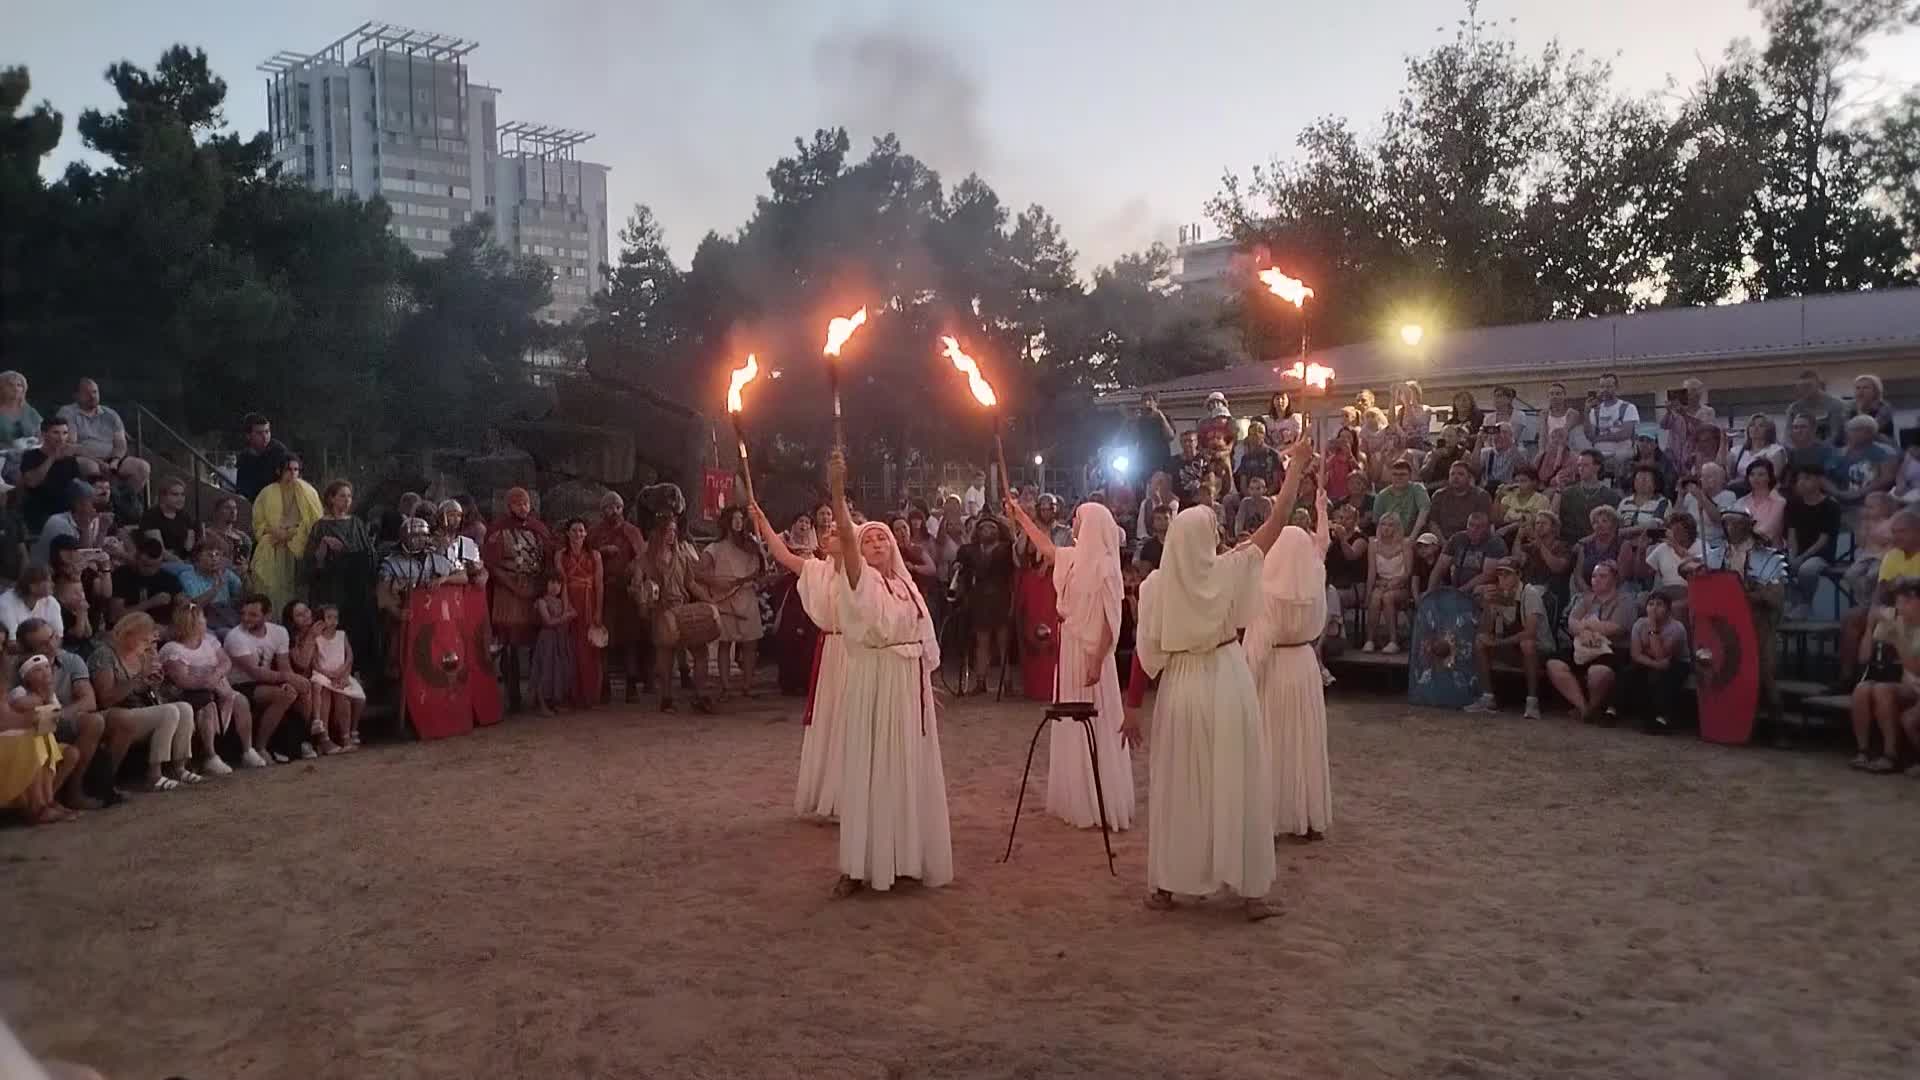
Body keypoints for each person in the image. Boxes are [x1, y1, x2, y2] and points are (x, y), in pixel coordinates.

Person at [1130, 431, 1310, 920]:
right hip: (1226, 680)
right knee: (1237, 780)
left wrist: (1131, 708)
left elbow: (1144, 656)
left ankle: (1168, 885)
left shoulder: (1156, 587)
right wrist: (1294, 471)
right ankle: (1251, 893)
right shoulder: (1228, 569)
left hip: (1183, 686)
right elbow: (1273, 526)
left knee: (1180, 785)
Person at [825, 450, 953, 897]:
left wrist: (927, 683)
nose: (877, 544)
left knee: (904, 771)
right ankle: (860, 865)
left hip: (906, 686)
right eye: (869, 541)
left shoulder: (905, 585)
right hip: (874, 682)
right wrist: (838, 489)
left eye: (882, 540)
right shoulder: (860, 581)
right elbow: (844, 532)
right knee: (870, 767)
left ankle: (903, 857)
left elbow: (924, 638)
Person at [1006, 495, 1135, 833]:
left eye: (1078, 518)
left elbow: (1111, 618)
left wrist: (1097, 658)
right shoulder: (1074, 558)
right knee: (1070, 722)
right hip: (1071, 648)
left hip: (1093, 652)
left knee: (1094, 721)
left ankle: (1099, 796)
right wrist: (1021, 516)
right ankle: (1075, 795)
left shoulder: (1107, 566)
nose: (1073, 523)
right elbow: (1046, 548)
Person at [1245, 484, 1332, 840]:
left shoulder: (1266, 591)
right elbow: (1321, 548)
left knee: (1274, 741)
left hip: (1276, 669)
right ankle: (1308, 816)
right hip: (1306, 666)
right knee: (1306, 740)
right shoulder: (1314, 580)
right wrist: (1322, 511)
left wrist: (1243, 682)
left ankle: (1276, 814)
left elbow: (1257, 645)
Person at [754, 502, 849, 820]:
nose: (833, 534)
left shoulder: (863, 572)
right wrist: (763, 520)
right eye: (829, 532)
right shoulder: (815, 569)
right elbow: (781, 555)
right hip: (831, 652)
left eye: (840, 530)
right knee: (829, 720)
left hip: (856, 653)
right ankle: (828, 791)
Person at [1699, 507, 1789, 740]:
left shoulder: (1768, 557)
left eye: (1736, 523)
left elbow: (1775, 597)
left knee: (1764, 673)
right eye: (1727, 523)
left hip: (1758, 622)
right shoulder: (1716, 555)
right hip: (1725, 625)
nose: (1731, 528)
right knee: (1722, 671)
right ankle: (1726, 722)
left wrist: (1747, 595)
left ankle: (1778, 729)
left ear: (1748, 525)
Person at [88, 611, 198, 790]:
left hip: (137, 710)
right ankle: (154, 775)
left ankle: (179, 768)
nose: (148, 645)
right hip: (115, 715)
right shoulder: (104, 655)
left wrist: (151, 684)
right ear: (128, 634)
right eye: (144, 640)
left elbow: (139, 690)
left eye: (149, 641)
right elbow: (106, 698)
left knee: (184, 708)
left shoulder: (141, 655)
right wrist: (139, 677)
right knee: (169, 712)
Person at [14, 617, 104, 810]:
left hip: (62, 718)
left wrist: (57, 713)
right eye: (42, 644)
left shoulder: (71, 660)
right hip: (31, 728)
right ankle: (43, 804)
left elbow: (89, 701)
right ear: (28, 650)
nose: (51, 645)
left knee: (94, 721)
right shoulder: (18, 671)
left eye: (52, 637)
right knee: (57, 746)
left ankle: (73, 792)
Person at [161, 601, 259, 774]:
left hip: (215, 686)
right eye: (202, 618)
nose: (206, 621)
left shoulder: (209, 641)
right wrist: (209, 683)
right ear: (192, 623)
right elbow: (182, 681)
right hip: (186, 694)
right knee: (207, 702)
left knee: (240, 700)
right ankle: (210, 756)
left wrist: (217, 675)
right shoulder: (173, 649)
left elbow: (225, 661)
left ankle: (247, 750)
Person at [483, 488, 552, 713]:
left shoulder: (538, 529)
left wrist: (540, 587)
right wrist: (512, 586)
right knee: (509, 645)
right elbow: (491, 565)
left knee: (535, 644)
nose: (523, 507)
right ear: (509, 506)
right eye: (518, 503)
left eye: (526, 503)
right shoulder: (497, 531)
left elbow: (548, 560)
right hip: (508, 593)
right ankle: (513, 697)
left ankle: (536, 694)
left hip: (533, 589)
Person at [306, 480, 380, 689]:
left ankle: (357, 673)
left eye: (349, 496)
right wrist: (323, 547)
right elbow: (313, 563)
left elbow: (369, 556)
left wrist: (344, 549)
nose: (346, 500)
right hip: (332, 587)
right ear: (330, 498)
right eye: (341, 496)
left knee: (358, 629)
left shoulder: (356, 523)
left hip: (356, 588)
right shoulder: (321, 526)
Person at [639, 515, 712, 714]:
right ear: (659, 533)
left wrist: (709, 601)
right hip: (662, 611)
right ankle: (666, 698)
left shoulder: (683, 556)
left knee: (700, 651)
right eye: (668, 531)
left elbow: (691, 583)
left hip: (682, 608)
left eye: (674, 531)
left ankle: (700, 694)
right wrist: (645, 602)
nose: (671, 535)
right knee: (666, 656)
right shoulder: (648, 559)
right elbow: (641, 586)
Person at [223, 594, 308, 762]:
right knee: (286, 694)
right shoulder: (235, 637)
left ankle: (306, 739)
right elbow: (255, 672)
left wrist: (290, 681)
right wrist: (288, 679)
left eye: (253, 615)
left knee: (303, 689)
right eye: (243, 614)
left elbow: (284, 665)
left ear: (267, 615)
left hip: (266, 680)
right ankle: (260, 747)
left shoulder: (279, 632)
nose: (246, 619)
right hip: (240, 684)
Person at [1545, 560, 1631, 724]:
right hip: (1583, 647)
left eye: (1602, 576)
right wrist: (1591, 627)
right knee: (1554, 664)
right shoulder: (1586, 599)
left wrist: (1585, 625)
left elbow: (1616, 629)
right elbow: (1571, 623)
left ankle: (1591, 708)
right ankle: (1584, 708)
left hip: (1611, 650)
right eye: (1593, 576)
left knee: (1598, 672)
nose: (1596, 580)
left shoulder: (1625, 600)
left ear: (1614, 579)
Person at [1849, 579, 1920, 773]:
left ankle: (1891, 755)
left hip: (1915, 683)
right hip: (1907, 683)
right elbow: (1864, 658)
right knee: (1862, 690)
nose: (1898, 607)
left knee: (1882, 691)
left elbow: (1915, 666)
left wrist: (1898, 637)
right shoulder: (1896, 619)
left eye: (1903, 602)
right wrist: (1870, 627)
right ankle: (1863, 751)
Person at [1465, 563, 1549, 719]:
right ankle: (1487, 697)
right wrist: (1488, 605)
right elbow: (1485, 630)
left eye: (1507, 574)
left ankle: (1532, 702)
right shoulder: (1499, 594)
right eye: (1500, 574)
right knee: (1480, 640)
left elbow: (1530, 632)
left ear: (1518, 575)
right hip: (1513, 649)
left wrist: (1498, 643)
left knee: (1527, 644)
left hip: (1542, 651)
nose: (1502, 578)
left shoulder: (1529, 593)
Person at [587, 492, 648, 703]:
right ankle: (604, 686)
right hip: (603, 590)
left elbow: (642, 559)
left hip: (626, 591)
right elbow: (586, 557)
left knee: (629, 639)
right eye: (608, 507)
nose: (613, 511)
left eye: (617, 507)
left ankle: (631, 685)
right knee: (604, 638)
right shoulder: (595, 533)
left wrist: (633, 574)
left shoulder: (631, 531)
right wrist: (601, 552)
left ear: (622, 508)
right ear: (602, 510)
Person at [1, 653, 71, 824]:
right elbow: (6, 719)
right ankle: (37, 808)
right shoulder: (20, 692)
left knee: (44, 736)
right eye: (38, 670)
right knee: (33, 738)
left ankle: (47, 801)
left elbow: (53, 717)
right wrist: (35, 715)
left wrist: (41, 712)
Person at [702, 508, 762, 700]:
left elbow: (761, 570)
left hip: (747, 595)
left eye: (741, 518)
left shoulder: (751, 546)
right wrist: (716, 582)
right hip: (724, 598)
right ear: (726, 521)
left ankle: (747, 686)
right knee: (725, 643)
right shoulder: (715, 548)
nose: (738, 522)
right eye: (734, 518)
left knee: (750, 643)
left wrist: (759, 551)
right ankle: (726, 687)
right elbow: (698, 573)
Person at [252, 455, 321, 614]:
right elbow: (258, 523)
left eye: (296, 470)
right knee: (272, 590)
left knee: (295, 592)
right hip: (273, 545)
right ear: (279, 471)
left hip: (298, 548)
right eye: (288, 470)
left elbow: (314, 522)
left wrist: (290, 534)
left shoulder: (308, 492)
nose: (292, 474)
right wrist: (274, 532)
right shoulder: (267, 492)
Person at [956, 514, 1015, 695]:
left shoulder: (1006, 549)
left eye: (992, 528)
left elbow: (1013, 575)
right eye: (983, 528)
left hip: (1001, 598)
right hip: (979, 599)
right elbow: (962, 569)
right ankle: (980, 682)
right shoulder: (970, 551)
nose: (987, 531)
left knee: (1003, 642)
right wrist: (957, 567)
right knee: (982, 642)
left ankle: (1007, 683)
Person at [19, 416, 99, 534]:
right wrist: (52, 458)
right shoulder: (31, 456)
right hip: (42, 511)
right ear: (44, 434)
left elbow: (77, 486)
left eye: (65, 433)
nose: (61, 438)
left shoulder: (69, 459)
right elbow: (32, 482)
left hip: (69, 513)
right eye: (56, 433)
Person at [1626, 591, 1691, 733]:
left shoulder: (1677, 628)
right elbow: (1635, 654)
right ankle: (1618, 711)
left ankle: (1663, 718)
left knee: (1665, 677)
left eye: (1659, 605)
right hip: (1653, 662)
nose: (1654, 608)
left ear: (1668, 609)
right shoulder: (1639, 624)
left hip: (1678, 662)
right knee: (1630, 672)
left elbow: (1660, 655)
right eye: (1650, 604)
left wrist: (1653, 628)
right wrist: (1654, 664)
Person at [1784, 467, 1841, 619]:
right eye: (1799, 479)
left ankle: (1805, 604)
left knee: (1806, 570)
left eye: (1807, 478)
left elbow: (1824, 539)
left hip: (1820, 554)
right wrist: (1792, 555)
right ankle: (1797, 603)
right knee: (1775, 567)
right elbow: (1792, 532)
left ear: (1818, 481)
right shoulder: (1793, 504)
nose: (1801, 483)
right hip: (1797, 551)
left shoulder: (1831, 506)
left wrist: (1802, 558)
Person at [307, 603, 366, 748]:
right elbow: (314, 663)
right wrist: (328, 674)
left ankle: (347, 735)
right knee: (326, 695)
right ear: (321, 620)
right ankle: (325, 737)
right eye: (329, 617)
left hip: (341, 674)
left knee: (354, 697)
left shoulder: (342, 635)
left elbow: (349, 656)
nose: (333, 620)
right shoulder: (317, 638)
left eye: (335, 617)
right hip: (323, 675)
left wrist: (343, 672)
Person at [1827, 415, 1897, 524]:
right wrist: (1837, 493)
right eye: (1849, 430)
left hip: (1871, 504)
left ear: (1869, 432)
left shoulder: (1885, 452)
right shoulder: (1837, 453)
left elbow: (1887, 478)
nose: (1848, 434)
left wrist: (1859, 493)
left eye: (1853, 430)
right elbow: (1823, 477)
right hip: (1840, 503)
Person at [526, 572, 577, 717]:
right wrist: (564, 617)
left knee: (559, 670)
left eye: (558, 583)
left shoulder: (562, 602)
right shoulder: (542, 601)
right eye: (552, 582)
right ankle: (542, 704)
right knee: (546, 670)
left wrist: (569, 614)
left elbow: (574, 612)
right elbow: (548, 622)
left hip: (560, 640)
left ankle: (555, 702)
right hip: (547, 640)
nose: (555, 586)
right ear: (545, 584)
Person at [30, 480, 111, 570]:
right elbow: (78, 563)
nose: (95, 506)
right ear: (78, 504)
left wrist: (101, 530)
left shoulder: (87, 521)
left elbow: (92, 555)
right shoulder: (59, 523)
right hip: (47, 576)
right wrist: (86, 528)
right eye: (92, 502)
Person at [175, 542, 245, 638]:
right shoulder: (188, 577)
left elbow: (241, 596)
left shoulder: (226, 573)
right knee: (232, 635)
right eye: (210, 555)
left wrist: (245, 575)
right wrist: (216, 588)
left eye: (218, 555)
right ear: (197, 557)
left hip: (227, 616)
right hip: (203, 621)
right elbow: (193, 606)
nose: (215, 559)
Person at [1432, 511, 1507, 594]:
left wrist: (1461, 591)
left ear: (1487, 528)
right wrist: (1430, 591)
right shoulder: (1457, 538)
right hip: (1456, 589)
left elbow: (1488, 575)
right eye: (1471, 525)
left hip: (1480, 591)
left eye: (1479, 527)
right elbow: (1440, 566)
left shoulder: (1495, 543)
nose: (1473, 529)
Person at [1553, 451, 1617, 545]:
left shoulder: (1610, 496)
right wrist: (1559, 489)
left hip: (1596, 545)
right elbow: (1553, 517)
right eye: (1579, 465)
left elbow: (1612, 528)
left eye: (1585, 465)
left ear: (1597, 467)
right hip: (1567, 544)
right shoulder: (1568, 492)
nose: (1581, 469)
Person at [1659, 378, 1719, 476]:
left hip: (1696, 458)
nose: (1686, 394)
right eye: (1684, 391)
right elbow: (1663, 425)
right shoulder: (1676, 410)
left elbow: (1705, 429)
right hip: (1675, 457)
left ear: (1698, 394)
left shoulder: (1707, 411)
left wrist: (1684, 415)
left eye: (1690, 391)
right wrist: (1669, 411)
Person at [1587, 373, 1639, 472]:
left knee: (1619, 457)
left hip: (1622, 450)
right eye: (1602, 387)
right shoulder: (1595, 411)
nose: (1604, 390)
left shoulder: (1628, 407)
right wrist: (1586, 413)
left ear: (1616, 387)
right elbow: (1590, 436)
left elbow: (1625, 434)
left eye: (1608, 386)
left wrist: (1599, 438)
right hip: (1600, 452)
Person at [1428, 461, 1493, 540]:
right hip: (1441, 539)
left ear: (1469, 478)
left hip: (1470, 540)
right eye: (1452, 474)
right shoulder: (1439, 495)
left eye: (1461, 474)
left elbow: (1482, 526)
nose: (1456, 477)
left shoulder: (1481, 496)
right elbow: (1433, 523)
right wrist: (1444, 543)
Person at [1572, 505, 1629, 596]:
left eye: (1604, 521)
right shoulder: (1585, 545)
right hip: (1587, 592)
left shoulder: (1623, 544)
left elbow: (1622, 577)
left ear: (1614, 524)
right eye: (1595, 522)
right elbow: (1578, 576)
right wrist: (1588, 592)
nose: (1599, 525)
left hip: (1615, 592)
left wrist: (1602, 593)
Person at [232, 413, 290, 502]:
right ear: (248, 436)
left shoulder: (279, 452)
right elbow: (241, 489)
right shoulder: (245, 457)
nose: (265, 437)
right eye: (259, 433)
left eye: (267, 432)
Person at [136, 479, 197, 560]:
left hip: (183, 561)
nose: (180, 499)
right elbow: (160, 551)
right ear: (163, 496)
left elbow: (189, 546)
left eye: (182, 495)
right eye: (175, 495)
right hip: (160, 562)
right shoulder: (151, 516)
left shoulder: (184, 516)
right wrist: (182, 562)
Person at [1681, 463, 1738, 549]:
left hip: (1714, 544)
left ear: (1720, 480)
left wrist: (1700, 497)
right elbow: (1677, 518)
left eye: (1709, 476)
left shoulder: (1728, 496)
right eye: (1703, 476)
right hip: (1690, 542)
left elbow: (1718, 519)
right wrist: (1680, 496)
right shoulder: (1690, 496)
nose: (1702, 479)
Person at [1733, 459, 1788, 546]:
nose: (1756, 478)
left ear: (1769, 477)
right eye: (1752, 474)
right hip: (1743, 550)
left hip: (1770, 552)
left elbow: (1768, 530)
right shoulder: (1741, 502)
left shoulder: (1779, 502)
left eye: (1761, 475)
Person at [1372, 459, 1430, 539]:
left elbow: (1424, 511)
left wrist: (1411, 538)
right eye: (1395, 474)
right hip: (1390, 539)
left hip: (1414, 536)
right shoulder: (1382, 496)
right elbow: (1377, 524)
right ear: (1390, 476)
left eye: (1403, 474)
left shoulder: (1417, 489)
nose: (1398, 478)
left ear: (1410, 476)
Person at [433, 499, 487, 585]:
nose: (456, 519)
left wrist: (479, 572)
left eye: (459, 515)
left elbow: (478, 570)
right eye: (451, 515)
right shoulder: (433, 542)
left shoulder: (467, 543)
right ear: (441, 517)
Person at [0, 566, 61, 639]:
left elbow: (58, 636)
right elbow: (12, 641)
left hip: (46, 648)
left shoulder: (51, 602)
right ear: (33, 587)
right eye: (48, 581)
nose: (53, 585)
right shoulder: (5, 603)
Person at [1494, 465, 1550, 541]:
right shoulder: (1508, 497)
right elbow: (1497, 520)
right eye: (1516, 481)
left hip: (1528, 535)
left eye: (1523, 481)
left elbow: (1531, 521)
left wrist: (1508, 528)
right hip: (1503, 534)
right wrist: (1498, 497)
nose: (1519, 485)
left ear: (1534, 482)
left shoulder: (1542, 499)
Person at [1732, 415, 1787, 492]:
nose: (1755, 428)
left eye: (1761, 426)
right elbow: (1727, 474)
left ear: (1769, 431)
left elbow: (1775, 477)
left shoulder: (1775, 450)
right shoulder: (1737, 450)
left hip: (1764, 490)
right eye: (1752, 425)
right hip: (1738, 489)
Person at [1782, 412, 1832, 488]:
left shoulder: (1826, 451)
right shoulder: (1791, 453)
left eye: (1803, 427)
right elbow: (1786, 482)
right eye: (1795, 427)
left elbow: (1828, 480)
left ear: (1814, 429)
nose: (1799, 431)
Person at [1235, 419, 1284, 497]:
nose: (1252, 438)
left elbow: (1276, 483)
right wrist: (1250, 497)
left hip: (1269, 495)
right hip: (1249, 495)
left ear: (1263, 435)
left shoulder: (1273, 455)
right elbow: (1243, 485)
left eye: (1255, 435)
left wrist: (1264, 495)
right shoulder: (1246, 458)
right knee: (1229, 500)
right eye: (1250, 435)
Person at [207, 495, 253, 574]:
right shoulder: (208, 534)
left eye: (235, 508)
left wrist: (245, 566)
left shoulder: (243, 537)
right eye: (227, 508)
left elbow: (247, 561)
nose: (233, 511)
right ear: (217, 511)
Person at [1477, 424, 1528, 491]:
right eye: (1497, 432)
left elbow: (1523, 470)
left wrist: (1512, 445)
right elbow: (1474, 471)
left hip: (1508, 491)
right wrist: (1479, 440)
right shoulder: (1485, 452)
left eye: (1504, 432)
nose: (1500, 435)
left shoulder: (1518, 452)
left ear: (1511, 436)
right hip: (1487, 490)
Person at [1391, 380, 1433, 455]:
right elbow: (1392, 423)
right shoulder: (1400, 411)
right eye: (1402, 394)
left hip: (1421, 446)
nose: (1405, 395)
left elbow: (1415, 423)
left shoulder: (1425, 409)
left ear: (1417, 394)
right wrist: (1393, 396)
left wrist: (1407, 403)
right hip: (1405, 447)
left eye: (1409, 393)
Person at [1133, 503, 1171, 575]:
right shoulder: (1148, 546)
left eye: (1166, 518)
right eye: (1158, 518)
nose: (1162, 522)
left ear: (1171, 520)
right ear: (1153, 523)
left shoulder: (1178, 543)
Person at [1233, 474, 1274, 539]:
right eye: (1252, 489)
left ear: (1264, 490)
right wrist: (1239, 534)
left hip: (1262, 535)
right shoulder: (1245, 502)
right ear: (1248, 490)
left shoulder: (1266, 503)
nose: (1254, 492)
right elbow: (1239, 521)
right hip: (1247, 535)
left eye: (1258, 489)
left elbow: (1268, 523)